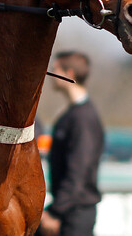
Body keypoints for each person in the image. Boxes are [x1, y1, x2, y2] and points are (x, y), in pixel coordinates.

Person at [40, 51, 105, 236]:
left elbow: (78, 172)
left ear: (69, 74)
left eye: (55, 69)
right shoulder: (73, 114)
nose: (51, 75)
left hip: (74, 214)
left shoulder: (82, 118)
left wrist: (55, 212)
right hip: (68, 209)